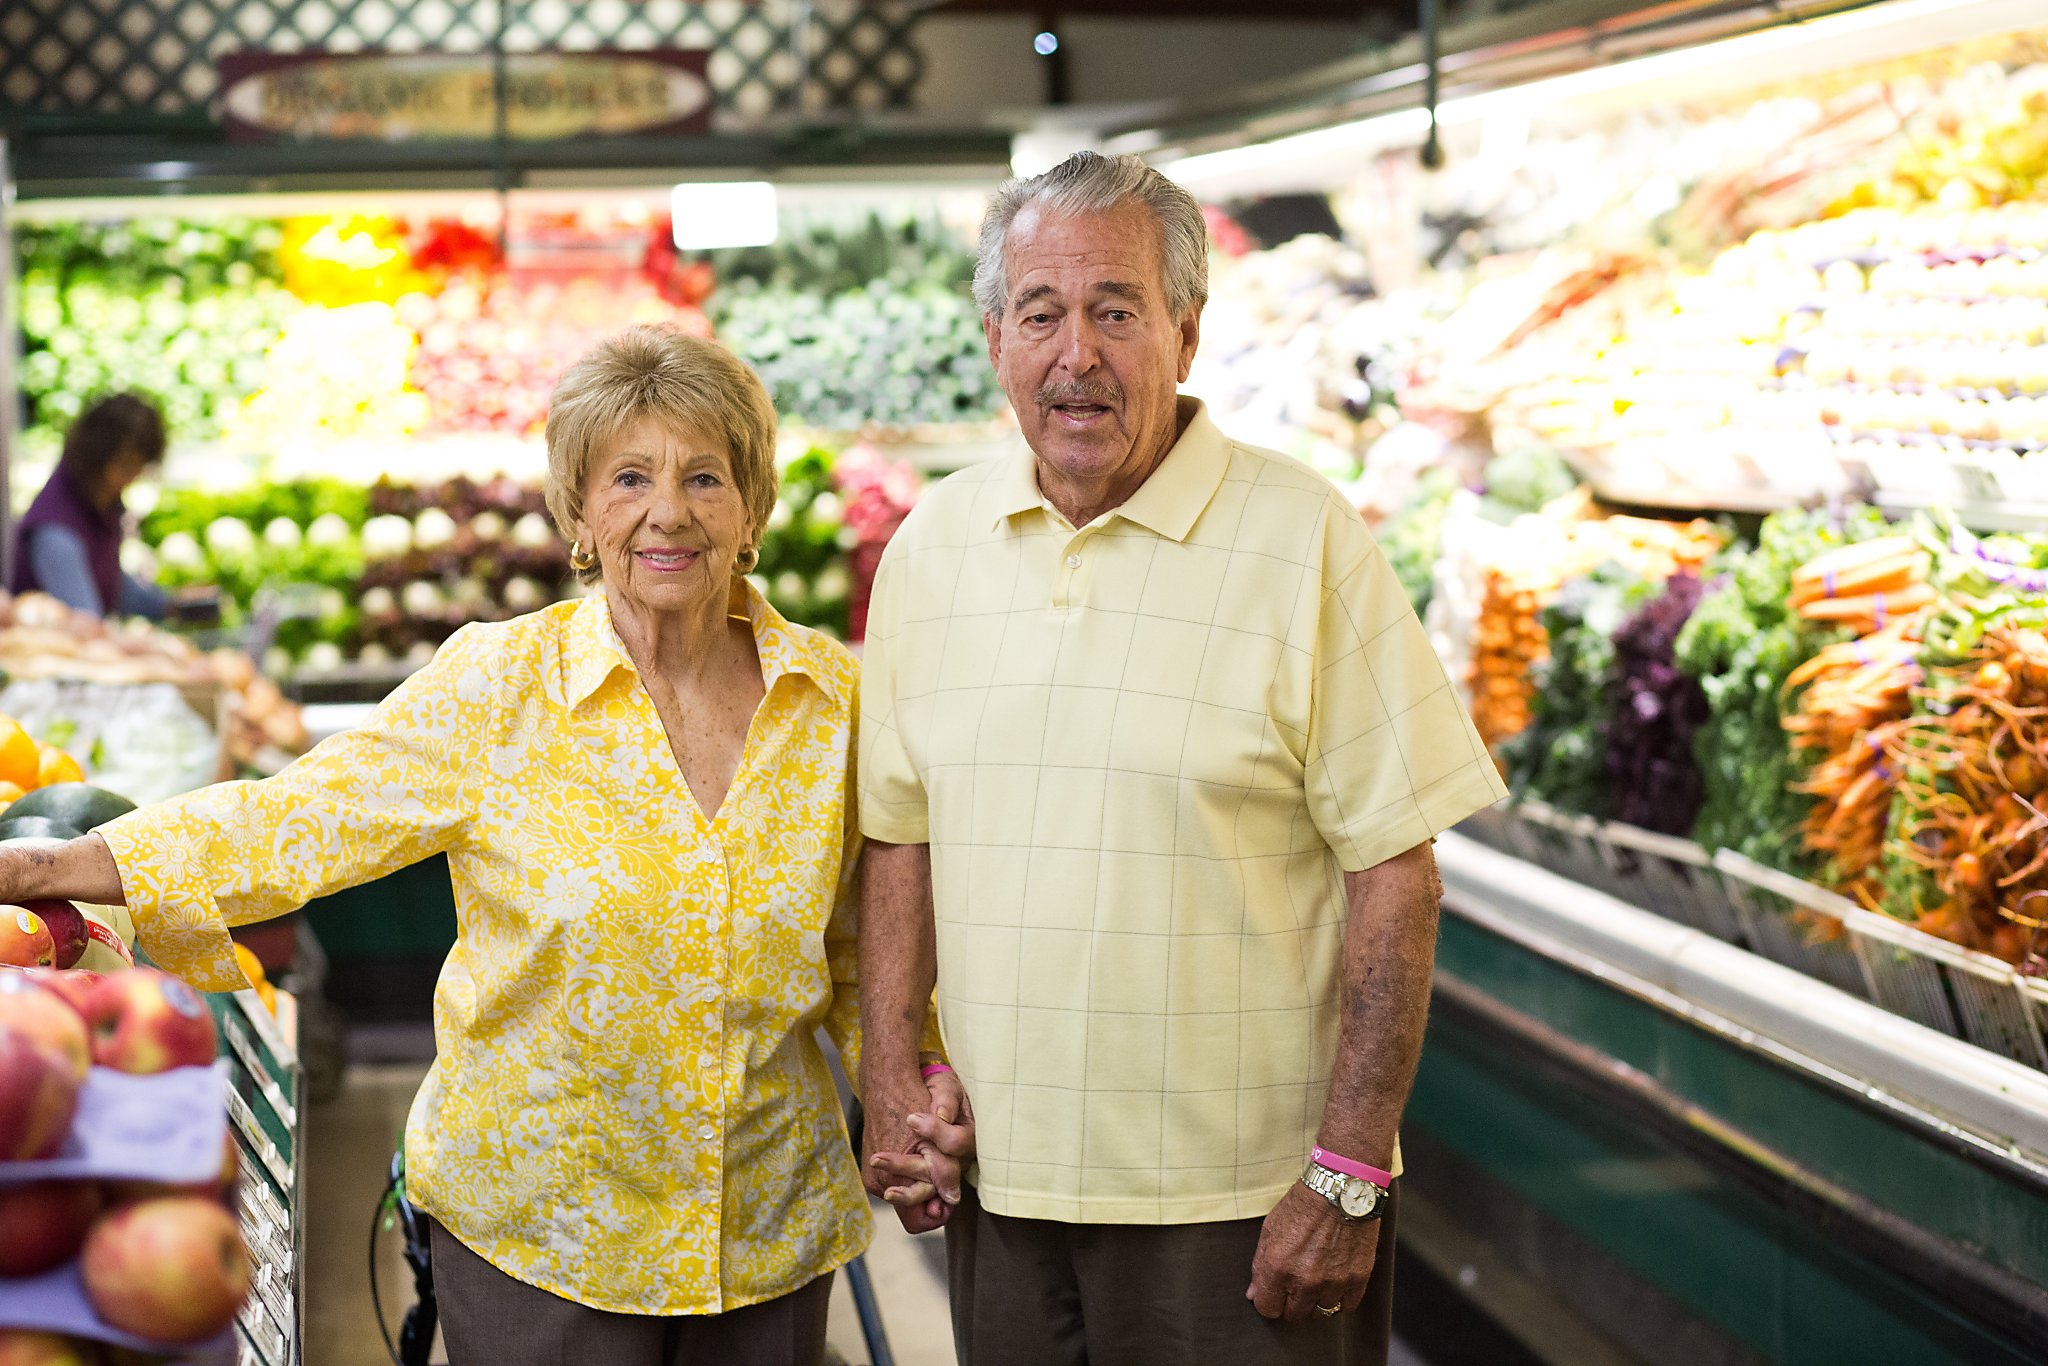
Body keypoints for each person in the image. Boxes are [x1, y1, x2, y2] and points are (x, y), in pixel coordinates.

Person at [0, 327, 964, 1366]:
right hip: (539, 1234)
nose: (668, 511)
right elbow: (296, 817)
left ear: (753, 507)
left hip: (762, 1229)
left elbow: (869, 945)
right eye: (629, 477)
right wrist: (51, 865)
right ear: (580, 513)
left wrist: (916, 1090)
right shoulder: (501, 686)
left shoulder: (829, 706)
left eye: (705, 477)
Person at [856, 152, 1508, 1365]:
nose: (1076, 355)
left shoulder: (1303, 538)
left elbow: (1396, 873)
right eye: (1041, 314)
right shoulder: (931, 546)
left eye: (1117, 311)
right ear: (993, 335)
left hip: (1243, 1207)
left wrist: (1350, 1172)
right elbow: (900, 833)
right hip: (1004, 1185)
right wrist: (894, 1071)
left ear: (1185, 334)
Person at [11, 392, 177, 619]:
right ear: (96, 458)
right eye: (123, 465)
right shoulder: (55, 532)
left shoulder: (101, 506)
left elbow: (109, 585)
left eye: (135, 468)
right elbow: (86, 623)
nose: (124, 478)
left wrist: (170, 604)